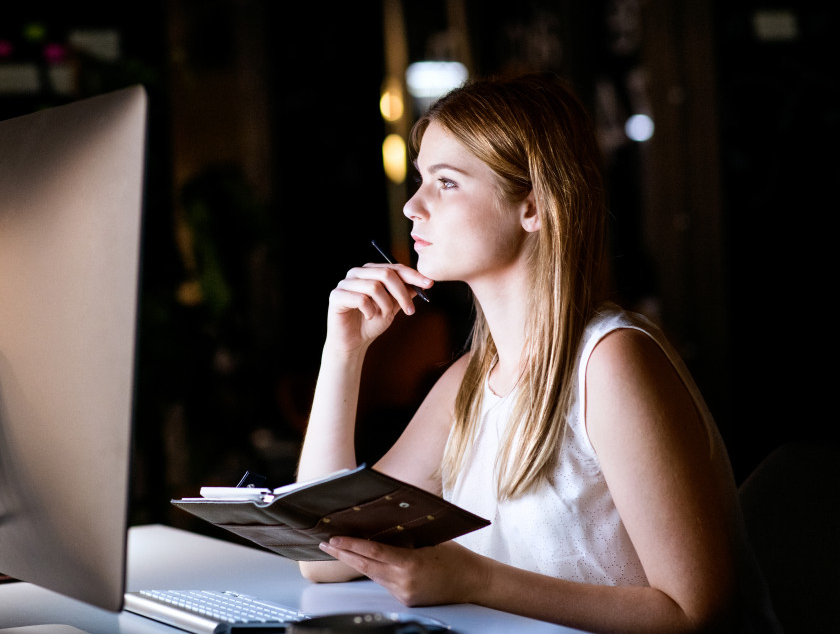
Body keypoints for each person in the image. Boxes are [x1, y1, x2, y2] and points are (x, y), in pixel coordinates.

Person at [295, 72, 779, 632]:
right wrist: (344, 354)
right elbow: (321, 554)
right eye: (421, 178)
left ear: (534, 206)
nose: (412, 206)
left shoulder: (611, 363)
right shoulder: (470, 383)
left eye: (446, 183)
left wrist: (473, 579)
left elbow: (695, 610)